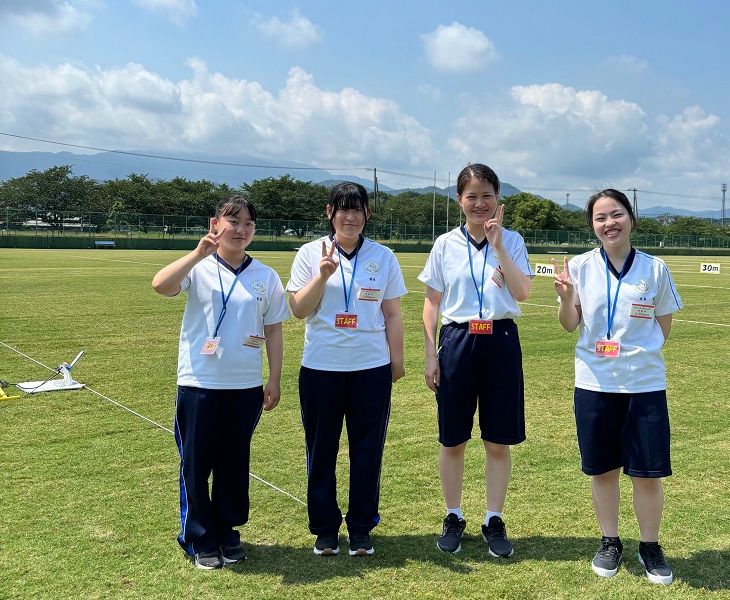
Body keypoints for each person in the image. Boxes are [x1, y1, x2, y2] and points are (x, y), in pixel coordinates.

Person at [551, 189, 682, 585]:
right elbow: (569, 325)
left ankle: (650, 546)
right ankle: (610, 541)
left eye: (617, 214)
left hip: (644, 384)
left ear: (631, 217)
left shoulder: (655, 268)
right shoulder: (579, 267)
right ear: (592, 225)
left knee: (647, 473)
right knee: (603, 469)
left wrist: (635, 356)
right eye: (600, 217)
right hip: (594, 383)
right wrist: (566, 298)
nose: (609, 223)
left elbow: (662, 326)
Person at [152, 195, 289, 570]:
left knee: (233, 464)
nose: (241, 230)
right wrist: (197, 254)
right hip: (199, 383)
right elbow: (160, 285)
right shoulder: (199, 268)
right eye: (233, 222)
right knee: (196, 465)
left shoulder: (265, 276)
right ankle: (199, 538)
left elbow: (274, 330)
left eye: (248, 224)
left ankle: (227, 533)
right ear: (216, 224)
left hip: (245, 386)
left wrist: (274, 378)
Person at [419, 163, 533, 558]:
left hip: (501, 340)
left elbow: (522, 292)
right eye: (472, 196)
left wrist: (499, 245)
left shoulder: (512, 240)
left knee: (497, 440)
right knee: (453, 438)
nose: (479, 203)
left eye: (487, 195)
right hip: (457, 340)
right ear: (459, 200)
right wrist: (431, 355)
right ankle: (453, 515)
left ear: (497, 198)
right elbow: (431, 303)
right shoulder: (444, 244)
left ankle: (493, 519)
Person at [287, 181, 406, 557]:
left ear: (367, 214)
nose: (350, 217)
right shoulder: (309, 253)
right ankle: (324, 529)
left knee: (367, 450)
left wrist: (396, 361)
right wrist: (322, 275)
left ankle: (361, 527)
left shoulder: (383, 256)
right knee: (321, 449)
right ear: (330, 213)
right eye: (343, 209)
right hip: (321, 368)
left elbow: (392, 314)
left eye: (357, 209)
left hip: (371, 368)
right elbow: (298, 309)